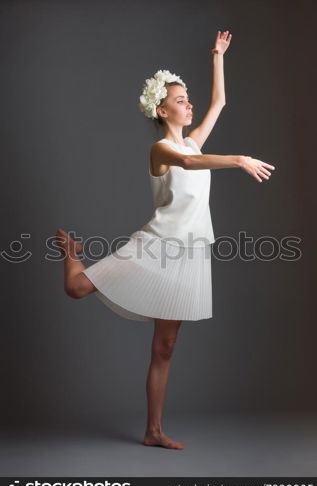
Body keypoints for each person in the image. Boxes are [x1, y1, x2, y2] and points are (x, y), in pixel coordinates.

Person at [54, 31, 275, 450]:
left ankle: (153, 430)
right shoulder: (161, 149)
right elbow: (190, 162)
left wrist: (217, 57)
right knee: (76, 287)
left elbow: (220, 104)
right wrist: (239, 159)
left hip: (190, 252)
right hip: (157, 246)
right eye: (179, 99)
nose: (188, 103)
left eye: (188, 97)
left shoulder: (191, 140)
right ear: (161, 109)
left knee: (166, 346)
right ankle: (71, 253)